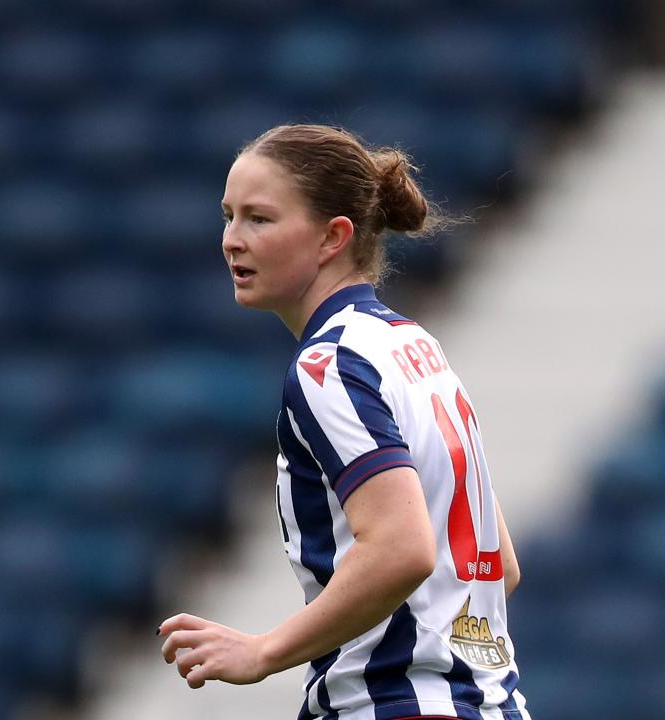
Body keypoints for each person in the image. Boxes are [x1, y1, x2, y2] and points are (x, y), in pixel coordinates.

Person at [157, 124, 530, 720]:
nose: (231, 240)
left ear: (333, 237)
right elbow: (496, 565)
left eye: (259, 219)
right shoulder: (413, 347)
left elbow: (404, 549)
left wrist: (263, 651)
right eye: (228, 216)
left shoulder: (328, 364)